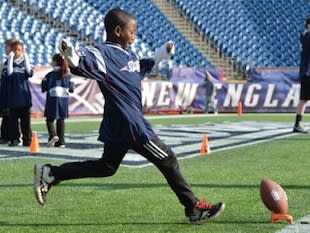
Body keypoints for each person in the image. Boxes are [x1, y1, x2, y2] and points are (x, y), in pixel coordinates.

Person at [33, 8, 225, 225]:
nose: (134, 36)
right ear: (117, 31)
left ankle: (50, 173)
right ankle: (194, 208)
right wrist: (70, 54)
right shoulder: (102, 53)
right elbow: (80, 62)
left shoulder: (129, 55)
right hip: (131, 124)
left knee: (106, 167)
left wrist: (162, 53)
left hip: (118, 124)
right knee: (168, 159)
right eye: (132, 32)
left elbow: (140, 68)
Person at [41, 53, 74, 148]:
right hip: (64, 100)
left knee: (50, 119)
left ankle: (53, 135)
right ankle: (61, 142)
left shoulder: (49, 75)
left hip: (52, 99)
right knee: (61, 120)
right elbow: (71, 88)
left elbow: (44, 87)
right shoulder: (68, 75)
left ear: (55, 62)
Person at [6, 40, 33, 146]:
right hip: (13, 97)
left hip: (24, 97)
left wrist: (26, 58)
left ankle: (27, 139)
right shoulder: (9, 63)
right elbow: (9, 73)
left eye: (19, 50)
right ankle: (15, 139)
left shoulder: (24, 63)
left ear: (22, 51)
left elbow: (29, 72)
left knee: (25, 121)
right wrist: (10, 58)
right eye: (15, 50)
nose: (17, 52)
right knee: (13, 121)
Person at [0, 38, 19, 144]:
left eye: (6, 47)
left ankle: (12, 137)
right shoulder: (7, 61)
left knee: (10, 116)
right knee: (5, 116)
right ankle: (4, 136)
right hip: (4, 92)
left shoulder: (13, 62)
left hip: (10, 93)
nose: (4, 49)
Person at [293, 16, 310, 133]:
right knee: (303, 99)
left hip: (306, 71)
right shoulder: (308, 37)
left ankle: (297, 124)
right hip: (308, 71)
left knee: (303, 99)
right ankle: (297, 124)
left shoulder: (305, 36)